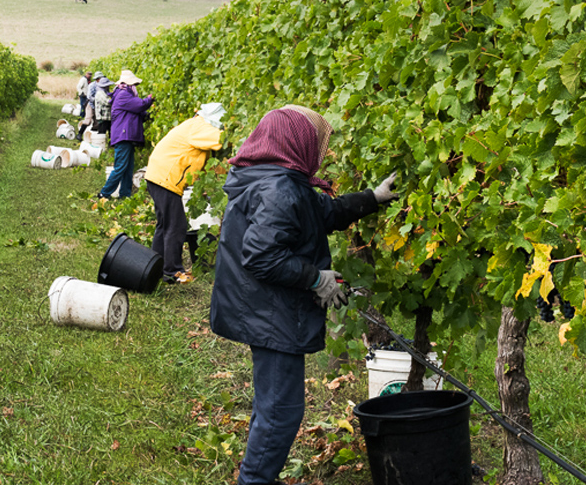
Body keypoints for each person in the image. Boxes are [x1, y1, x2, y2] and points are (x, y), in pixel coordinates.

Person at [208, 105, 398, 485]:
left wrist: (372, 198)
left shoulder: (275, 178)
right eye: (314, 141)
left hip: (264, 307)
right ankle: (255, 481)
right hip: (271, 313)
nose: (320, 149)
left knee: (272, 404)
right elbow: (261, 257)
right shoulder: (279, 188)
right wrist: (316, 279)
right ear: (294, 142)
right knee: (282, 410)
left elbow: (322, 213)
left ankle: (258, 475)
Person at [143, 102, 226, 283]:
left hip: (158, 176)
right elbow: (222, 139)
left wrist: (223, 171)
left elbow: (204, 165)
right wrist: (239, 136)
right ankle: (172, 272)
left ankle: (154, 267)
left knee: (164, 225)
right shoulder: (199, 126)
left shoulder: (194, 128)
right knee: (176, 226)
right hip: (166, 179)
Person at [98, 70, 153, 199]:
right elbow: (140, 105)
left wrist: (147, 116)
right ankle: (104, 193)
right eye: (133, 83)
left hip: (127, 135)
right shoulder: (124, 94)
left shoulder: (126, 94)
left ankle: (125, 194)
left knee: (128, 167)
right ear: (127, 83)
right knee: (120, 167)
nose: (135, 86)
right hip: (123, 135)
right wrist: (149, 100)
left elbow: (134, 111)